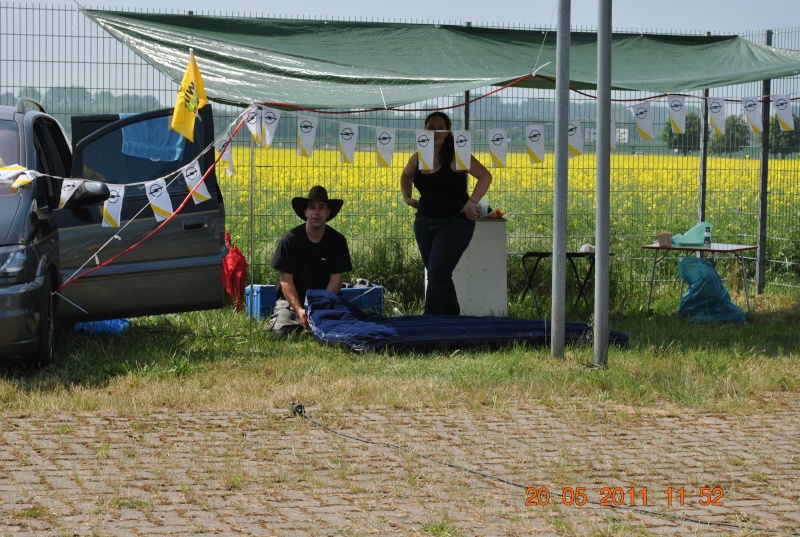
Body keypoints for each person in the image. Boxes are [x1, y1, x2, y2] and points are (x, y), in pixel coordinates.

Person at [400, 111, 493, 315]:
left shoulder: (457, 155)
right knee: (439, 275)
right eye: (430, 127)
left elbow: (485, 176)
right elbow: (406, 175)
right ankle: (453, 320)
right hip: (424, 223)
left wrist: (472, 202)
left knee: (436, 275)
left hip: (455, 223)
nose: (435, 131)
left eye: (440, 127)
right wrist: (407, 198)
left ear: (448, 131)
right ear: (424, 131)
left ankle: (429, 325)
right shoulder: (417, 157)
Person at [268, 185, 352, 334]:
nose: (316, 213)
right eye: (312, 208)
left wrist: (320, 308)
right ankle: (302, 324)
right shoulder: (290, 240)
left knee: (345, 327)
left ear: (328, 212)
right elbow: (286, 281)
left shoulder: (338, 241)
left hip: (326, 301)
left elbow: (336, 280)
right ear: (305, 212)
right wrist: (300, 310)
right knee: (280, 331)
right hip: (293, 302)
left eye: (321, 207)